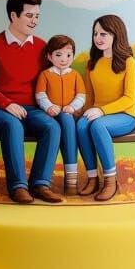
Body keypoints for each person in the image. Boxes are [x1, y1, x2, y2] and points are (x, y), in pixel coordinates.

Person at [0, 0, 62, 204]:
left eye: (37, 16)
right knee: (13, 125)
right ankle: (18, 187)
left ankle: (40, 184)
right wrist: (6, 104)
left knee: (52, 126)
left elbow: (50, 78)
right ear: (13, 16)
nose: (35, 21)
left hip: (31, 109)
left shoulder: (41, 47)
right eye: (29, 16)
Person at [77, 15, 135, 203]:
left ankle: (111, 181)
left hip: (125, 116)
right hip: (98, 113)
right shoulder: (92, 64)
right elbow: (90, 98)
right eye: (95, 33)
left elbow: (130, 98)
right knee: (81, 126)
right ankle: (92, 178)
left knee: (98, 126)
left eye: (103, 34)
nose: (98, 38)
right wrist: (80, 112)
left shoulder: (128, 62)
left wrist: (102, 111)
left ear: (116, 34)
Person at [34, 35, 85, 195]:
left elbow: (81, 95)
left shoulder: (75, 75)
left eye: (68, 55)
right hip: (51, 115)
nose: (64, 59)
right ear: (49, 56)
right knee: (61, 124)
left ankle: (71, 178)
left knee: (68, 121)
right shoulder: (45, 75)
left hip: (69, 114)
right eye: (58, 54)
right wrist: (49, 106)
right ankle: (56, 179)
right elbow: (40, 95)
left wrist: (72, 106)